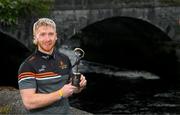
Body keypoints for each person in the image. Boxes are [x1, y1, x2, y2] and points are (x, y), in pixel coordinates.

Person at [17, 18, 87, 114]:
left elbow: (72, 90)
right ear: (35, 38)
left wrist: (79, 85)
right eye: (42, 34)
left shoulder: (64, 59)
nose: (47, 39)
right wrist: (60, 93)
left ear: (56, 36)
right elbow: (29, 102)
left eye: (51, 34)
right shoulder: (27, 66)